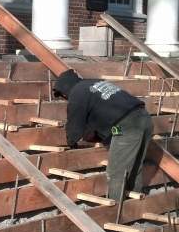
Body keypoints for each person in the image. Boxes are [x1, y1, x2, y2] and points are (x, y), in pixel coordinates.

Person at [52, 69, 153, 201]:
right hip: (144, 118)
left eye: (63, 95)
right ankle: (134, 206)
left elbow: (74, 125)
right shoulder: (94, 83)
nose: (65, 98)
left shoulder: (77, 93)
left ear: (65, 89)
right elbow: (104, 114)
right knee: (135, 166)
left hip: (126, 126)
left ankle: (116, 210)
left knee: (116, 172)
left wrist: (71, 143)